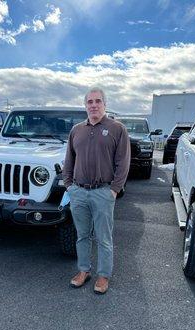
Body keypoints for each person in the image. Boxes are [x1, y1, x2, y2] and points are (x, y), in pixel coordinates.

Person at [62, 87, 130, 294]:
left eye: (97, 101)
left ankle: (103, 275)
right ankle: (84, 271)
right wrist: (69, 186)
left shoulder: (117, 129)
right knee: (82, 235)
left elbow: (123, 162)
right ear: (85, 106)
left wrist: (114, 189)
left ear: (105, 104)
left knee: (103, 237)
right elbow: (69, 161)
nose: (93, 105)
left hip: (103, 192)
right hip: (79, 192)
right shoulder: (76, 130)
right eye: (89, 102)